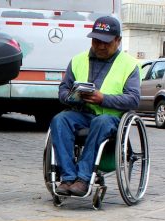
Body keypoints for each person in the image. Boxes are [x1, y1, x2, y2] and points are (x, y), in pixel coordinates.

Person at [50, 16, 140, 196]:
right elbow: (62, 92)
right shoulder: (77, 60)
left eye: (106, 42)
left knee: (102, 122)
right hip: (82, 113)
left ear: (118, 40)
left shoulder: (129, 65)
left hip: (111, 118)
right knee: (59, 120)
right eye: (96, 41)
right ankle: (68, 178)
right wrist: (75, 97)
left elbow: (133, 99)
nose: (100, 46)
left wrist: (103, 98)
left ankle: (83, 178)